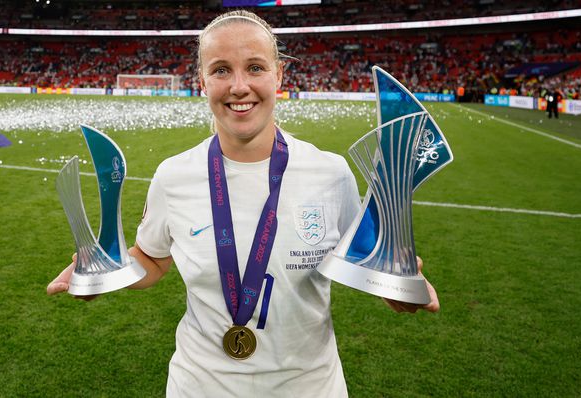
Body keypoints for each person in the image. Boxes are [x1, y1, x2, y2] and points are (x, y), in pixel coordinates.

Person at [47, 10, 440, 398]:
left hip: (309, 387)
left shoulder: (331, 173)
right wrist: (108, 269)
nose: (239, 86)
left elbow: (367, 257)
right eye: (221, 70)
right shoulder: (173, 176)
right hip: (199, 386)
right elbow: (152, 260)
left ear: (279, 75)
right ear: (202, 82)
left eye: (255, 67)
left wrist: (393, 282)